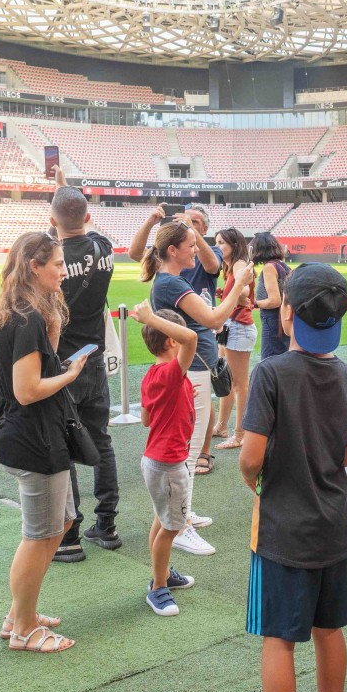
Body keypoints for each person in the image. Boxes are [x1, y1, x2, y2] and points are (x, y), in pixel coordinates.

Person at [239, 263, 347, 692]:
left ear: (287, 312)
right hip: (332, 523)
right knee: (328, 629)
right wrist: (321, 463)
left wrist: (261, 482)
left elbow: (250, 457)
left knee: (278, 638)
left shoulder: (271, 372)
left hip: (284, 527)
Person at [0, 232, 86, 653]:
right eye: (58, 264)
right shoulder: (24, 318)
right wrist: (71, 373)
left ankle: (20, 613)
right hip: (34, 437)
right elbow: (28, 389)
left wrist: (57, 330)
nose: (64, 272)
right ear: (34, 266)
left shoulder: (7, 313)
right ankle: (23, 626)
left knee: (60, 522)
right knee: (39, 533)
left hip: (28, 433)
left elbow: (33, 370)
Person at [143, 221, 254, 556]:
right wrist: (240, 286)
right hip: (190, 370)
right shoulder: (170, 283)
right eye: (191, 244)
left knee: (191, 445)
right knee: (188, 450)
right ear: (172, 250)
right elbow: (214, 320)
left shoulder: (170, 280)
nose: (196, 248)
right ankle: (180, 527)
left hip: (194, 368)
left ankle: (182, 514)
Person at [49, 170, 119, 563]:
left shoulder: (52, 259)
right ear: (87, 215)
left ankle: (70, 533)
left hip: (65, 362)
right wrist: (66, 194)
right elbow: (79, 220)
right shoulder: (103, 246)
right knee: (101, 440)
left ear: (53, 219)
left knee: (63, 443)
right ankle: (106, 524)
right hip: (95, 357)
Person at [130, 202, 223, 476]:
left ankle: (177, 506)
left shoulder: (204, 251)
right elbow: (212, 321)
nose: (187, 223)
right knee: (187, 436)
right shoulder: (171, 277)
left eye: (195, 222)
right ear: (173, 249)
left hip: (193, 347)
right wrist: (150, 222)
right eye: (185, 221)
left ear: (204, 229)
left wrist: (192, 235)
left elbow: (213, 264)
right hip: (188, 349)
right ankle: (178, 512)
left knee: (196, 414)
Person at [130, 302, 199, 616]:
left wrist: (181, 396)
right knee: (172, 528)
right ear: (170, 341)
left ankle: (163, 573)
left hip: (155, 460)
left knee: (162, 520)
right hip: (169, 464)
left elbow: (146, 419)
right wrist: (151, 317)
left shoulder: (153, 375)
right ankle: (158, 587)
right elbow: (192, 339)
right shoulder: (172, 372)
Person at [214, 228, 256, 450]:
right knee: (226, 381)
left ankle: (240, 434)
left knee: (239, 385)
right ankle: (222, 426)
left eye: (222, 242)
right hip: (232, 327)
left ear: (233, 244)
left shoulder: (239, 264)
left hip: (239, 327)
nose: (218, 246)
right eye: (217, 242)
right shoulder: (232, 267)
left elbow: (245, 295)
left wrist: (236, 293)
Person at [252, 232, 291, 360]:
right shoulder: (283, 265)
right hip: (283, 319)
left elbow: (275, 301)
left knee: (269, 360)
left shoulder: (269, 267)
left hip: (273, 320)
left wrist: (254, 303)